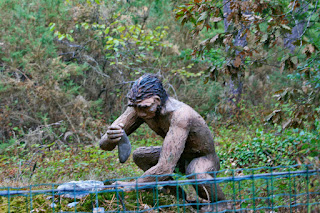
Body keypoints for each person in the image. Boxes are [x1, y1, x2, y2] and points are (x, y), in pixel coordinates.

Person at [99, 74, 225, 204]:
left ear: (157, 100)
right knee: (140, 155)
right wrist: (110, 137)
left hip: (203, 159)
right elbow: (104, 145)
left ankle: (222, 203)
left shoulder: (180, 115)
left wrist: (132, 186)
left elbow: (165, 167)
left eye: (145, 107)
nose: (140, 113)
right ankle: (177, 196)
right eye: (135, 107)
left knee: (195, 172)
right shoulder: (138, 108)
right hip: (180, 157)